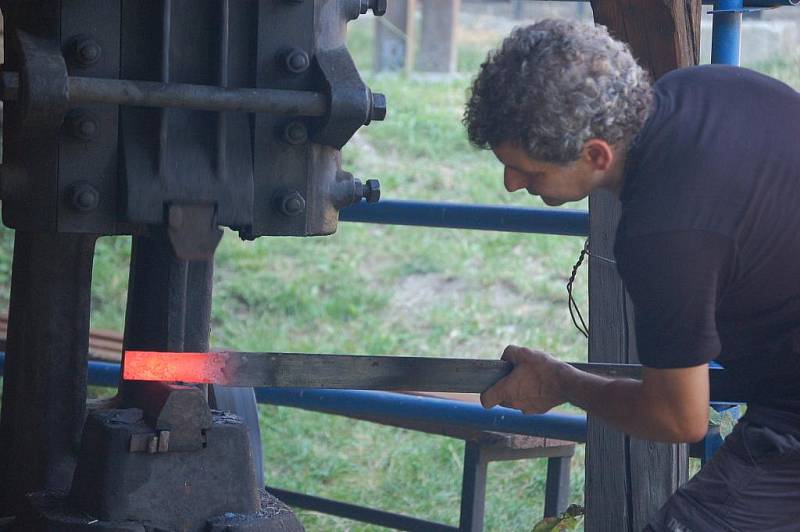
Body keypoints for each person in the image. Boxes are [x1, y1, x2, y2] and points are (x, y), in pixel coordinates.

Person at [463, 18, 800, 532]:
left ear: (596, 154)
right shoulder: (702, 86)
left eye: (529, 171)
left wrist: (562, 382)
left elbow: (677, 417)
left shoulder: (661, 235)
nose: (511, 184)